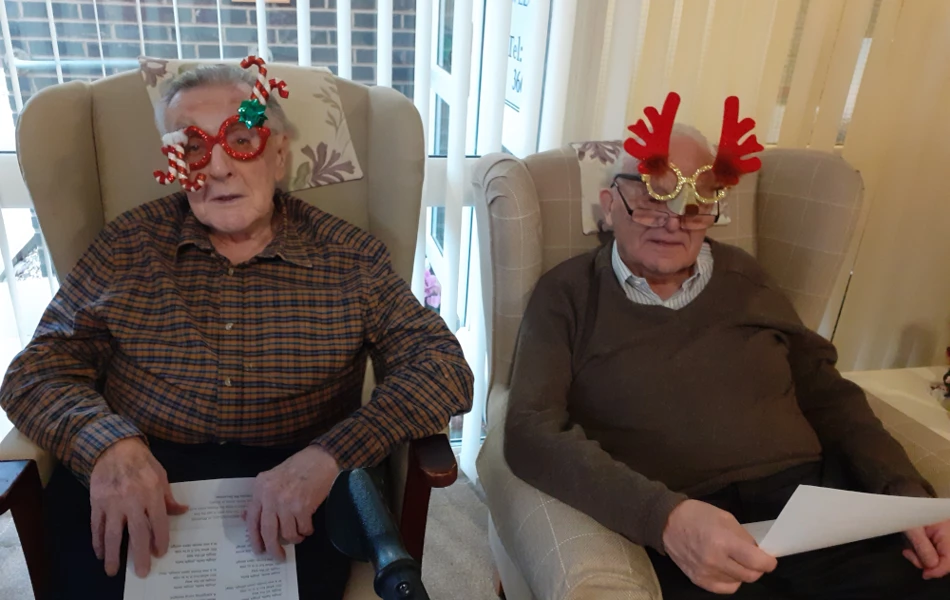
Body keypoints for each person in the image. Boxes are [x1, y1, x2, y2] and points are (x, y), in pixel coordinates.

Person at [0, 58, 473, 600]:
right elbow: (34, 372)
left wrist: (330, 456)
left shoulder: (350, 258)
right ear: (177, 164)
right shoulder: (127, 247)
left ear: (277, 155)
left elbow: (443, 370)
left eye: (242, 139)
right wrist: (108, 446)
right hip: (140, 470)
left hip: (295, 484)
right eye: (195, 148)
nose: (218, 169)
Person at [503, 92, 950, 599]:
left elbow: (829, 394)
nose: (673, 219)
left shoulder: (747, 276)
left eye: (694, 203)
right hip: (692, 527)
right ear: (610, 207)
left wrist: (909, 497)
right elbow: (528, 430)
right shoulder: (567, 293)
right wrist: (664, 517)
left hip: (821, 512)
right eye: (653, 197)